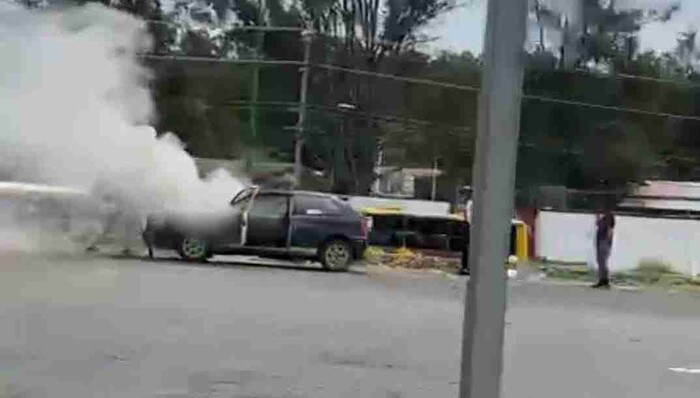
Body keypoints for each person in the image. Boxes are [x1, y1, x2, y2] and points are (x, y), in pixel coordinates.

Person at [593, 209, 615, 288]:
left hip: (604, 241)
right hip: (600, 240)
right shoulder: (603, 217)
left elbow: (610, 229)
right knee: (600, 261)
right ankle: (601, 279)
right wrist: (597, 217)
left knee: (603, 261)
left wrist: (607, 241)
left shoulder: (609, 216)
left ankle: (605, 280)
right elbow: (597, 224)